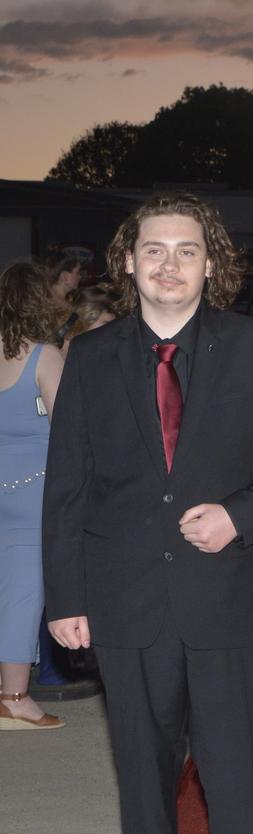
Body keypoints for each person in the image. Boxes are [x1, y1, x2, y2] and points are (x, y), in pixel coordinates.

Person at [42, 192, 253, 834]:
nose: (170, 265)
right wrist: (64, 597)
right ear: (128, 261)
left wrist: (240, 515)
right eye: (155, 250)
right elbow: (66, 486)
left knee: (239, 767)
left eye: (187, 250)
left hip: (229, 595)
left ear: (213, 262)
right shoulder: (91, 357)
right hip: (126, 599)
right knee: (141, 768)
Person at [0, 260, 65, 731]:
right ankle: (15, 697)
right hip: (35, 490)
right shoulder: (45, 356)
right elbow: (68, 429)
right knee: (24, 593)